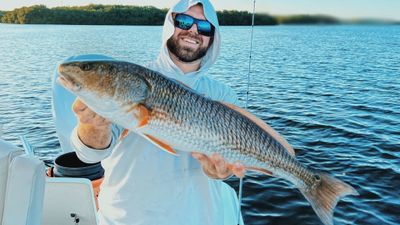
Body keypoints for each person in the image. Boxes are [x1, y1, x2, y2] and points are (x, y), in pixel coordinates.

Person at [53, 0, 245, 224]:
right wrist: (92, 126)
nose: (193, 30)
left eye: (204, 27)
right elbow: (91, 155)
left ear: (213, 37)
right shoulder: (128, 80)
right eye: (185, 21)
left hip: (199, 218)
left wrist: (221, 171)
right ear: (170, 24)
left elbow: (228, 164)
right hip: (125, 218)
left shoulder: (224, 96)